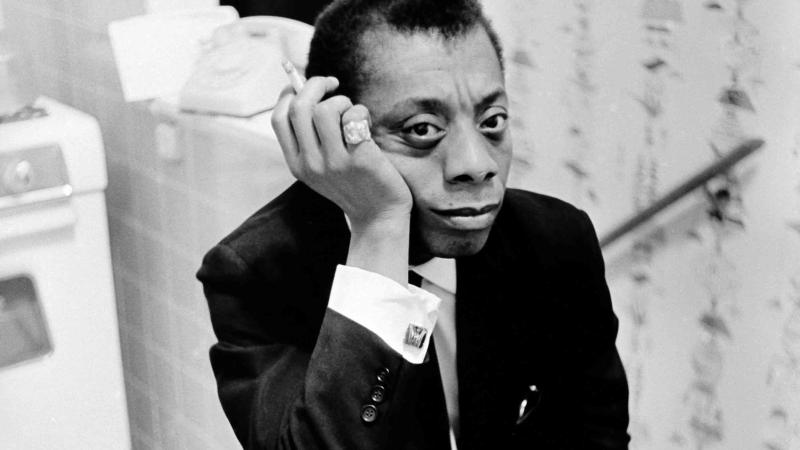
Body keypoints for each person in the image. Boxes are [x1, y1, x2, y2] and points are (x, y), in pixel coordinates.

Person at [196, 0, 630, 448]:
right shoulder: (258, 273)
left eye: (492, 121)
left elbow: (599, 432)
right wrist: (380, 225)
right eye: (422, 129)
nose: (477, 165)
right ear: (334, 131)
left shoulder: (555, 240)